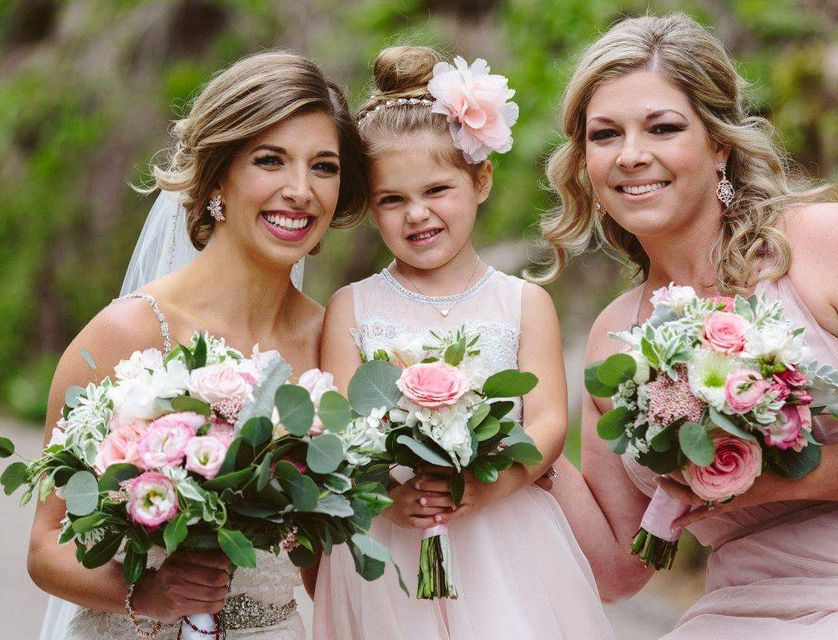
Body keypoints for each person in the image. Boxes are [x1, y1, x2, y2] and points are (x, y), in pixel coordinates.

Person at [533, 13, 838, 639]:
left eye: (663, 127)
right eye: (605, 135)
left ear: (719, 145)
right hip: (742, 609)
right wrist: (526, 433)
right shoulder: (614, 335)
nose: (631, 155)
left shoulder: (822, 243)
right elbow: (620, 570)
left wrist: (787, 475)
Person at [27, 50, 366, 639]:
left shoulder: (332, 341)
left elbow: (325, 560)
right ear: (218, 177)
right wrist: (148, 593)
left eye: (323, 167)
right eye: (270, 160)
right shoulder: (128, 333)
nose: (300, 190)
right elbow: (45, 547)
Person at [309, 46, 617, 640]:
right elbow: (339, 430)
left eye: (436, 190)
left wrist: (491, 484)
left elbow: (548, 422)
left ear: (481, 179)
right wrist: (386, 496)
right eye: (392, 200)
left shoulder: (523, 303)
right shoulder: (352, 306)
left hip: (502, 531)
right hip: (391, 540)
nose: (416, 214)